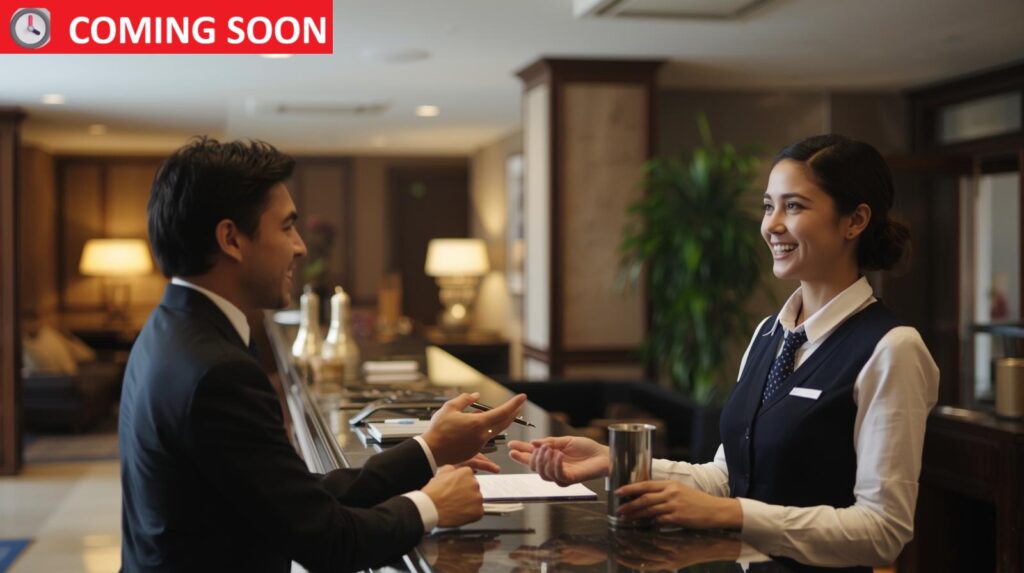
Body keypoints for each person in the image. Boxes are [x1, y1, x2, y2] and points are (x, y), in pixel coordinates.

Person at [509, 134, 939, 571]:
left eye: (794, 206)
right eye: (768, 206)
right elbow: (728, 476)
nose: (771, 225)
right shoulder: (768, 334)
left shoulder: (892, 348)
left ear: (855, 220)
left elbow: (883, 531)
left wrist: (735, 514)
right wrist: (614, 461)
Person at [120, 137, 527, 572]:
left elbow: (290, 498)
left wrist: (429, 448)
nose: (300, 247)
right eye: (286, 227)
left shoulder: (170, 330)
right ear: (231, 239)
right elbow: (328, 541)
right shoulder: (218, 372)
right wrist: (430, 505)